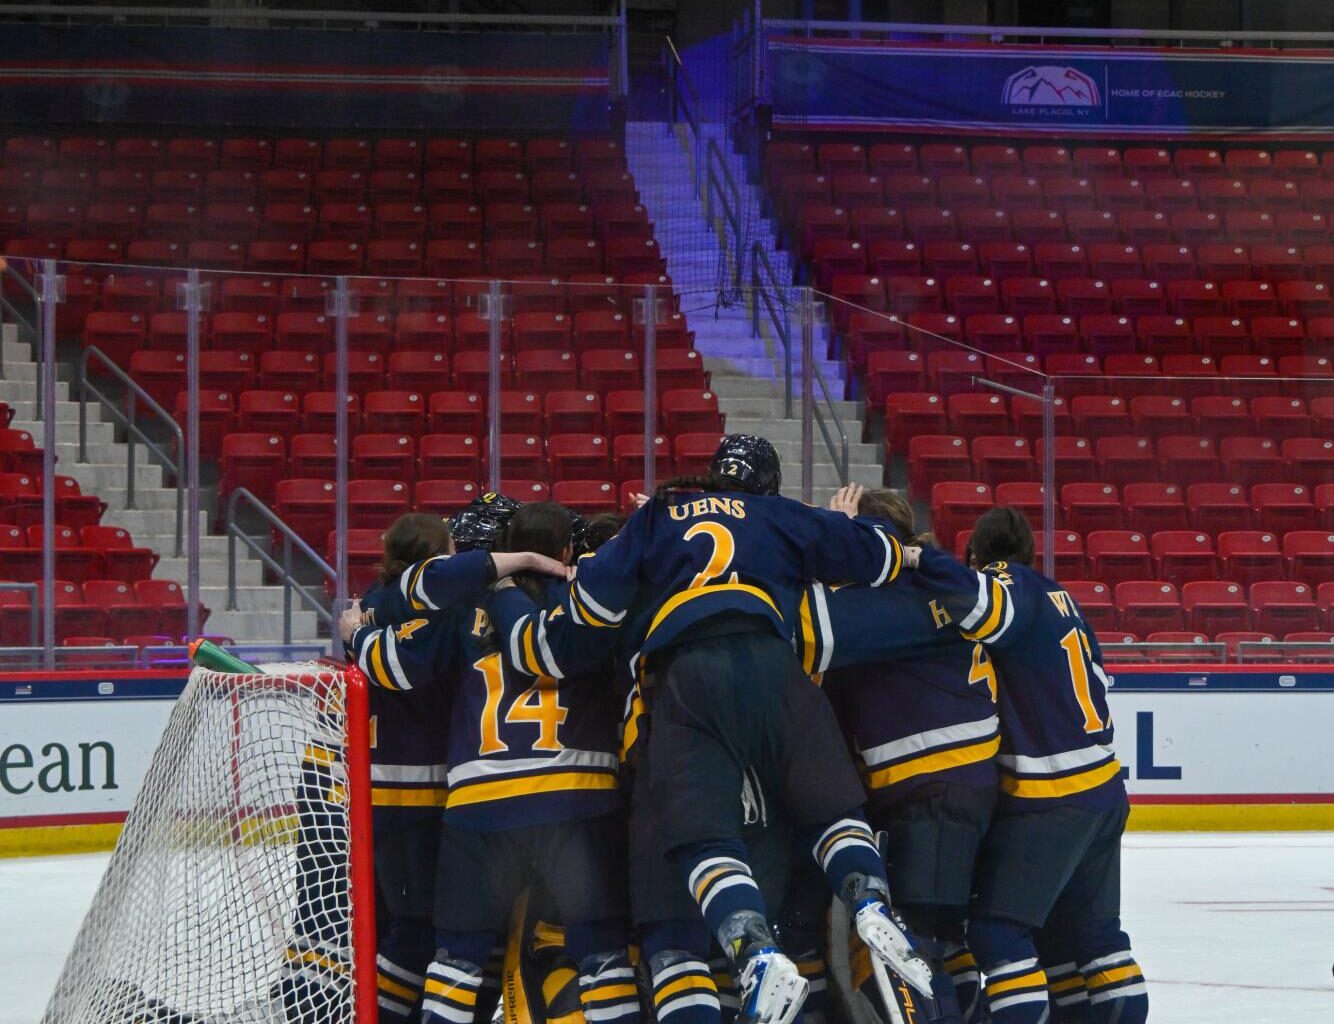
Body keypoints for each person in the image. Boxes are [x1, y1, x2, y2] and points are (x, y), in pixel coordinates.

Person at [485, 435, 932, 1024]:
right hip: (775, 684)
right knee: (833, 816)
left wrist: (505, 597)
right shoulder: (778, 518)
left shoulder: (651, 527)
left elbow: (569, 633)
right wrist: (848, 526)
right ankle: (870, 899)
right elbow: (884, 554)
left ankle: (753, 950)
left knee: (684, 911)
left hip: (677, 715)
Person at [348, 502, 638, 1024]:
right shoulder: (587, 600)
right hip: (577, 800)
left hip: (479, 805)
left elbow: (394, 665)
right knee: (601, 952)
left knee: (457, 958)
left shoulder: (464, 605)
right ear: (569, 550)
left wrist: (356, 633)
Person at [905, 508, 1148, 1024]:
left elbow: (982, 607)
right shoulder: (1063, 599)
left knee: (997, 933)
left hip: (1051, 796)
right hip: (1104, 788)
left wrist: (918, 558)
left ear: (978, 556)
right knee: (1088, 939)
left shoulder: (1009, 585)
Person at [802, 488, 999, 1024]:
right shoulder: (931, 583)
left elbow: (812, 624)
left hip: (932, 789)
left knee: (911, 944)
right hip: (961, 786)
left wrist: (835, 538)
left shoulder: (886, 598)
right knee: (942, 938)